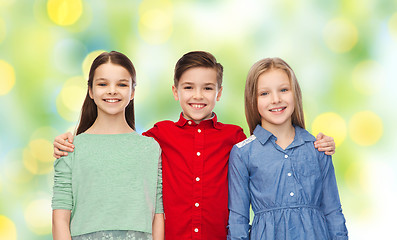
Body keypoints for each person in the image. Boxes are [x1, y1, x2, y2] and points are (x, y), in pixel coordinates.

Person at [52, 51, 336, 240]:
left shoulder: (235, 138)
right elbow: (117, 144)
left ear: (219, 93)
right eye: (188, 87)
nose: (197, 96)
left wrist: (316, 143)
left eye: (208, 88)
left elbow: (271, 153)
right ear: (175, 91)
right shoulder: (157, 137)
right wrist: (70, 140)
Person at [227, 57, 348, 240]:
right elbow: (238, 220)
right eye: (264, 93)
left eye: (284, 90)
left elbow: (333, 213)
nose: (276, 99)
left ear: (295, 94)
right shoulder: (243, 153)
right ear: (253, 99)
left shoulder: (318, 148)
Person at [52, 51, 164, 240]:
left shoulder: (150, 148)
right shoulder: (70, 148)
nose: (112, 90)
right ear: (90, 91)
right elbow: (60, 219)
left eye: (121, 84)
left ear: (133, 92)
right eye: (103, 84)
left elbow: (158, 215)